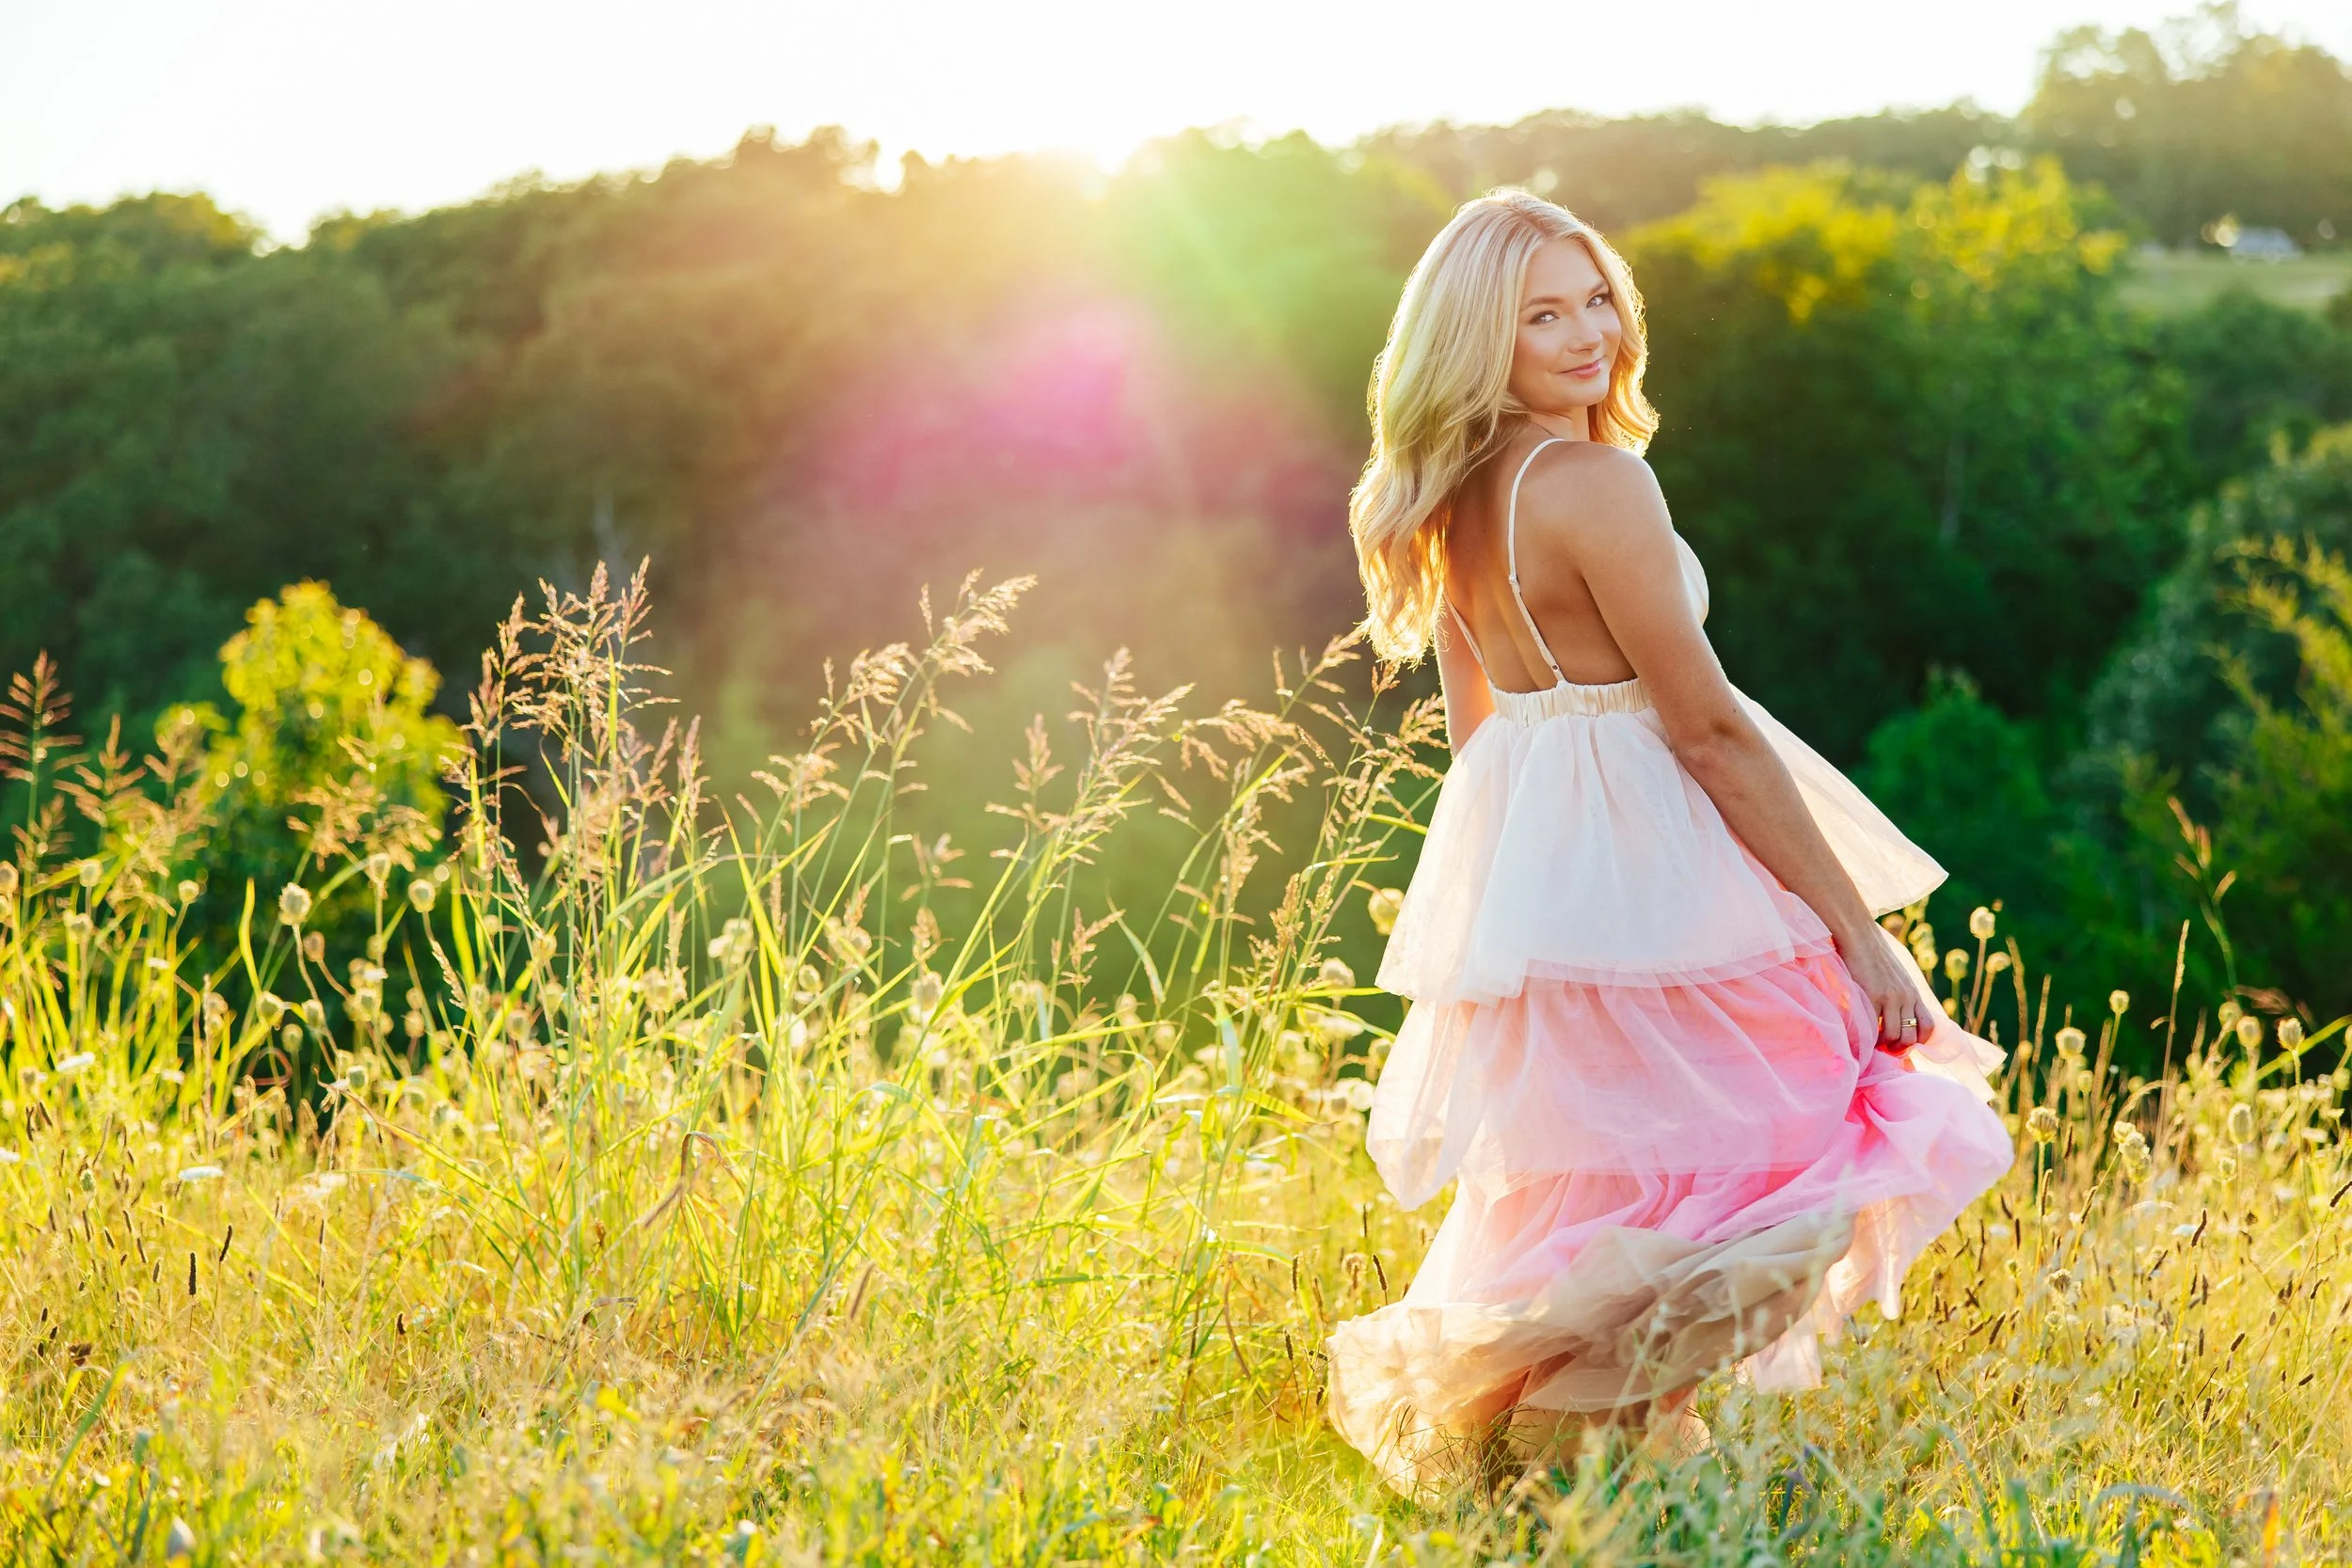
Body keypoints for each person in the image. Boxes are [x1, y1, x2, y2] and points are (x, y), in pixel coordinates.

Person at [1325, 190, 2015, 1502]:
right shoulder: (1595, 481)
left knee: (1623, 1190)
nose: (1588, 333)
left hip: (1554, 891)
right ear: (1483, 340)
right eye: (1542, 315)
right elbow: (1704, 727)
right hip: (1664, 866)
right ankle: (1570, 1450)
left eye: (1597, 298)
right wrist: (1853, 932)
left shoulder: (1459, 498)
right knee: (1804, 1147)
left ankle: (1584, 1488)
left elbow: (1484, 746)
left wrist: (1538, 923)